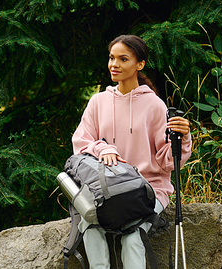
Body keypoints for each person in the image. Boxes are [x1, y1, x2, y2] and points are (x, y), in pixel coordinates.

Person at [71, 34, 192, 269]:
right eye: (111, 58)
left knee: (132, 236)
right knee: (88, 222)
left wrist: (183, 138)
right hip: (106, 188)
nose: (114, 65)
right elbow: (81, 143)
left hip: (147, 188)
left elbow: (167, 161)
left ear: (140, 64)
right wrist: (103, 147)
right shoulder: (98, 102)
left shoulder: (155, 105)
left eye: (123, 59)